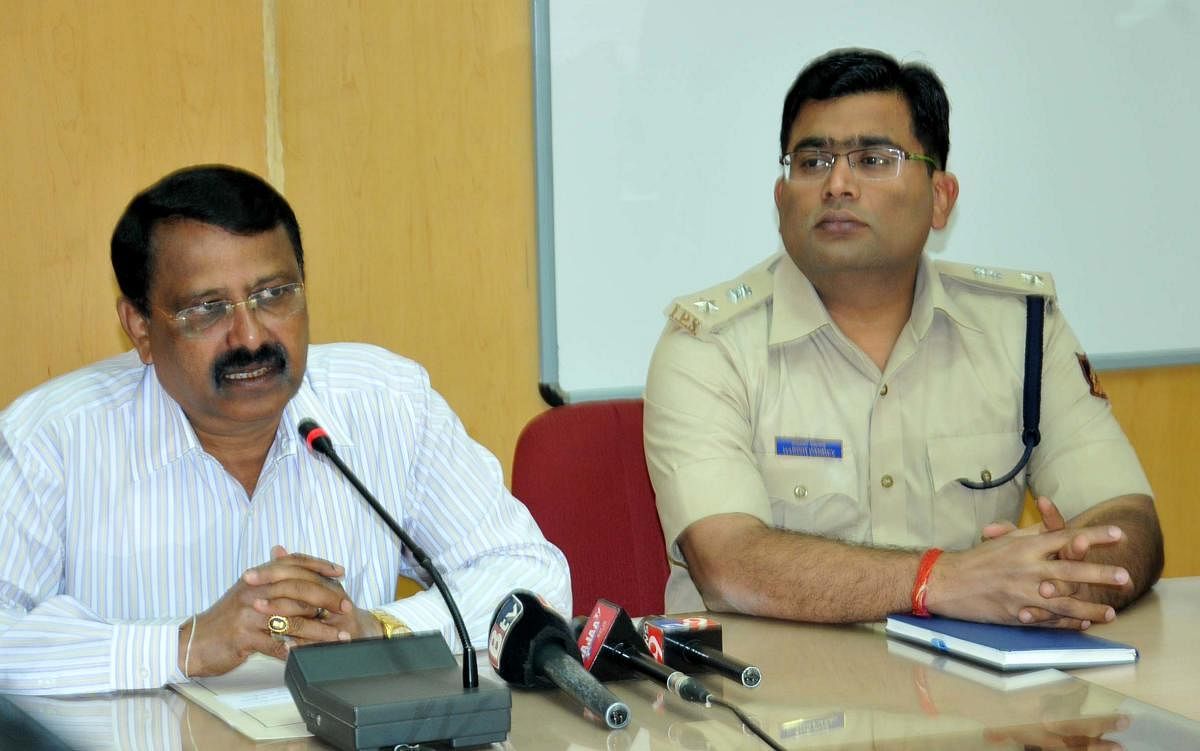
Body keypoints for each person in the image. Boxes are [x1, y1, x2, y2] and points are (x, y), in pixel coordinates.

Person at [0, 165, 570, 695]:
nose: (249, 337)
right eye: (207, 308)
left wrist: (380, 632)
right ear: (140, 329)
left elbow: (532, 576)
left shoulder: (390, 403)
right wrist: (186, 646)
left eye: (274, 295)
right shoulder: (52, 440)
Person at [644, 48, 1162, 629]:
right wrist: (944, 580)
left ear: (940, 198)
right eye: (811, 162)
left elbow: (1128, 519)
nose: (837, 183)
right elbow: (728, 563)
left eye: (872, 158)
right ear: (781, 198)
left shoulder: (1023, 332)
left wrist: (1045, 580)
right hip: (768, 703)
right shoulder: (709, 346)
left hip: (980, 701)